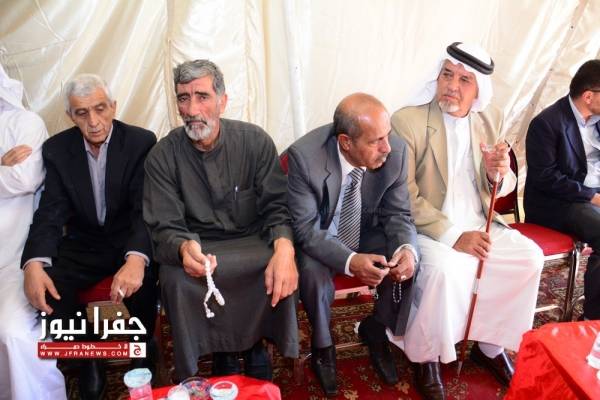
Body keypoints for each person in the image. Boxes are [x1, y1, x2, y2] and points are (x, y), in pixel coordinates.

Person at [390, 42, 544, 400]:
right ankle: (426, 357)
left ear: (478, 91)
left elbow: (502, 184)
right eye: (447, 75)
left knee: (528, 259)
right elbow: (404, 196)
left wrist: (496, 174)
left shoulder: (489, 120)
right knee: (447, 270)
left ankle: (489, 347)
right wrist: (454, 236)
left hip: (478, 220)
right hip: (428, 227)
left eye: (464, 80)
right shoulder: (407, 122)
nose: (452, 86)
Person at [143, 59, 298, 382]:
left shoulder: (254, 141)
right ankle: (221, 351)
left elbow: (277, 207)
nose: (192, 109)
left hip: (252, 242)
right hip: (198, 246)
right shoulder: (163, 155)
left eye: (202, 96)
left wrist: (285, 249)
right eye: (183, 98)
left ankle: (255, 345)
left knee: (276, 261)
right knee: (175, 279)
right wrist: (184, 248)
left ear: (222, 101)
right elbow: (165, 224)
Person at [21, 73, 157, 400]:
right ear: (70, 115)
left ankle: (142, 347)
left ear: (113, 107)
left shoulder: (140, 142)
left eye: (100, 109)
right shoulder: (57, 149)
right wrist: (33, 263)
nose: (93, 122)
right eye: (82, 113)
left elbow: (144, 210)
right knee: (51, 284)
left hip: (127, 239)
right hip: (85, 244)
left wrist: (136, 259)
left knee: (150, 273)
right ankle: (88, 357)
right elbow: (50, 212)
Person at [287, 93, 419, 396]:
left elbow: (398, 214)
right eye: (376, 141)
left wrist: (406, 250)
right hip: (322, 235)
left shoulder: (396, 151)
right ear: (346, 142)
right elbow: (306, 230)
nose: (387, 147)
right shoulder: (305, 158)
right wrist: (349, 261)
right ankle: (323, 346)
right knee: (312, 271)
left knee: (406, 254)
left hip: (365, 229)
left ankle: (377, 327)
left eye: (387, 135)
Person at [0, 64, 67, 400]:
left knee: (13, 333)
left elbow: (25, 178)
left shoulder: (24, 123)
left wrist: (7, 170)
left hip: (16, 261)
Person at [524, 59, 600, 320]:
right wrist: (593, 197)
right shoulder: (546, 124)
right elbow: (546, 178)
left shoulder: (597, 120)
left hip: (590, 195)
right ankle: (593, 319)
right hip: (555, 203)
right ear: (588, 96)